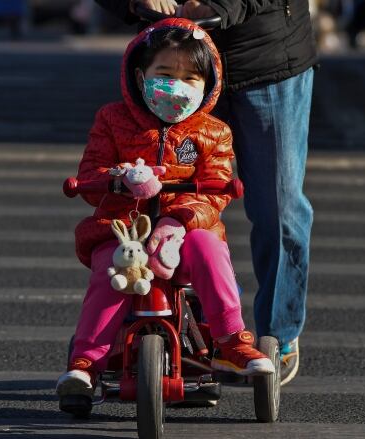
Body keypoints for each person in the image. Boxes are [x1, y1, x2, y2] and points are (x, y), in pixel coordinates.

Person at [95, 0, 316, 385]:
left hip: (264, 58)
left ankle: (276, 335)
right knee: (152, 196)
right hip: (172, 64)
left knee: (277, 208)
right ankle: (164, 327)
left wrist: (221, 4)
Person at [56, 19, 275, 404]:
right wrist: (120, 176)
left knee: (210, 250)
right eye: (166, 73)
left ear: (207, 85)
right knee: (112, 269)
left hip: (184, 234)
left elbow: (217, 189)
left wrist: (179, 218)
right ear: (142, 77)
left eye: (191, 77)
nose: (178, 84)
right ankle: (86, 362)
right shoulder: (112, 119)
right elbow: (90, 174)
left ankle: (230, 341)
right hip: (124, 229)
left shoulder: (213, 131)